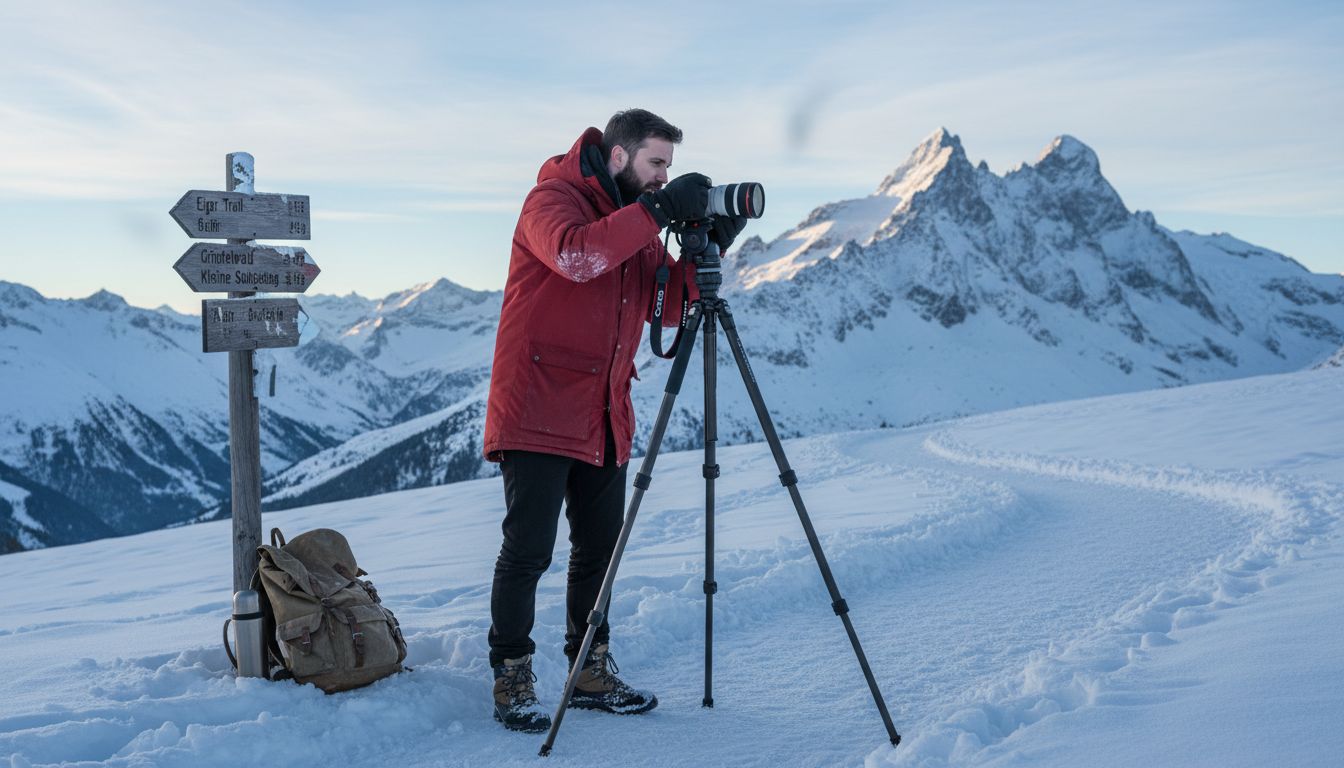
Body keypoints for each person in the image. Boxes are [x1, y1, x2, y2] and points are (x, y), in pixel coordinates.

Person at [481, 108, 748, 733]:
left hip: (604, 409)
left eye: (669, 170)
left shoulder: (637, 221)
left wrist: (713, 244)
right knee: (529, 551)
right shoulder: (553, 199)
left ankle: (589, 670)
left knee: (599, 551)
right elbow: (577, 258)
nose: (663, 179)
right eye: (657, 164)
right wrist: (657, 212)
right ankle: (511, 676)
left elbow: (666, 304)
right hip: (538, 406)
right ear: (621, 155)